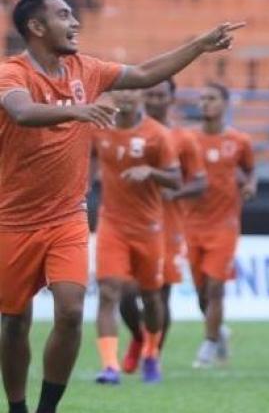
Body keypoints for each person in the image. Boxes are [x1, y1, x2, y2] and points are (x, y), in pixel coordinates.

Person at [0, 0, 242, 413]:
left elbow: (147, 73)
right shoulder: (12, 73)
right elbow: (20, 111)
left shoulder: (87, 69)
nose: (75, 22)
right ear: (36, 27)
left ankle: (46, 410)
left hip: (67, 218)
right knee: (14, 322)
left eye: (73, 14)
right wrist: (76, 111)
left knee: (72, 311)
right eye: (63, 15)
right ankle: (16, 406)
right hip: (12, 222)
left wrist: (199, 47)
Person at [118, 79, 208, 374]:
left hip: (168, 226)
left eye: (161, 95)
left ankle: (150, 354)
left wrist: (175, 192)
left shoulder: (184, 138)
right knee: (125, 294)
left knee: (159, 295)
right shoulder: (128, 131)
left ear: (171, 99)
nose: (155, 99)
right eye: (150, 94)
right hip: (128, 221)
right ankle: (138, 337)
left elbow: (199, 181)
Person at [92, 88, 181, 384]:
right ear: (111, 96)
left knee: (152, 298)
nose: (126, 96)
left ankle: (151, 353)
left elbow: (176, 179)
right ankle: (110, 366)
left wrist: (151, 172)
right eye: (119, 91)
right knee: (108, 293)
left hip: (149, 227)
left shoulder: (158, 135)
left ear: (140, 95)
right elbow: (87, 157)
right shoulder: (98, 127)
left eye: (131, 90)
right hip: (112, 224)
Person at [186, 82, 256, 368]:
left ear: (225, 103)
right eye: (202, 98)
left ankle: (208, 344)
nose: (205, 103)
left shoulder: (239, 141)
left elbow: (250, 171)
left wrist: (250, 186)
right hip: (191, 223)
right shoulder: (187, 140)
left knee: (216, 288)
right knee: (202, 292)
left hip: (225, 225)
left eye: (212, 98)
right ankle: (218, 331)